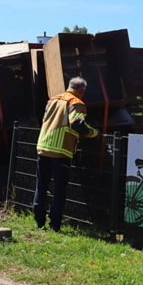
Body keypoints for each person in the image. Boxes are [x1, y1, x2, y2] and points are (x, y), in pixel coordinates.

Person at [32, 76, 100, 232]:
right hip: (61, 151)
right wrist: (94, 133)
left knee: (41, 186)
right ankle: (55, 225)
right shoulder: (76, 103)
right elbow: (77, 125)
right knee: (59, 190)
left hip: (43, 147)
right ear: (82, 91)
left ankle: (39, 221)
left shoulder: (53, 100)